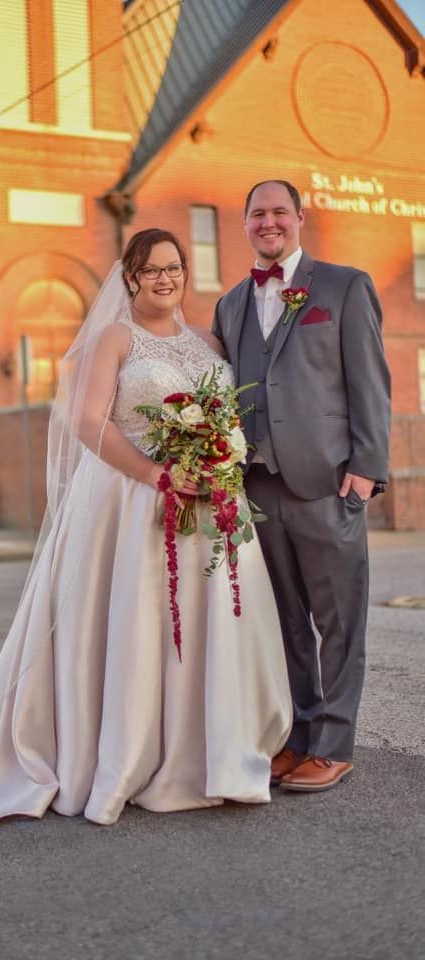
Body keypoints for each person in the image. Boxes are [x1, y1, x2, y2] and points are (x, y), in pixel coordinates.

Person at [0, 229, 291, 827]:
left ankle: (206, 749)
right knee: (139, 628)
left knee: (205, 627)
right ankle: (132, 751)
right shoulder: (117, 339)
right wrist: (158, 474)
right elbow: (89, 423)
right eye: (151, 269)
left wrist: (215, 463)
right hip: (134, 506)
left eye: (174, 268)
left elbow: (226, 413)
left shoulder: (208, 340)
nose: (165, 278)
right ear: (131, 278)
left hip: (210, 512)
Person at [213, 181, 391, 792]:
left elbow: (370, 382)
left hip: (328, 484)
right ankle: (299, 734)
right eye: (257, 212)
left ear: (298, 219)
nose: (269, 222)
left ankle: (336, 745)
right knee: (284, 620)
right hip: (259, 488)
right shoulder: (232, 303)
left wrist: (364, 473)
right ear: (245, 224)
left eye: (279, 212)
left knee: (340, 623)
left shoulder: (343, 286)